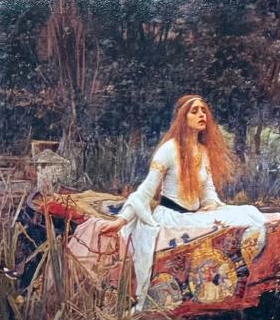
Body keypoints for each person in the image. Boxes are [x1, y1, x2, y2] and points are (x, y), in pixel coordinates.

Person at [103, 94, 268, 307]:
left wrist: (212, 206)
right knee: (241, 217)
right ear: (183, 117)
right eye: (195, 111)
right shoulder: (169, 149)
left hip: (192, 214)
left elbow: (208, 192)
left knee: (249, 211)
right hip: (171, 217)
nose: (201, 115)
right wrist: (121, 221)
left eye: (204, 111)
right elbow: (145, 191)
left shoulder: (203, 151)